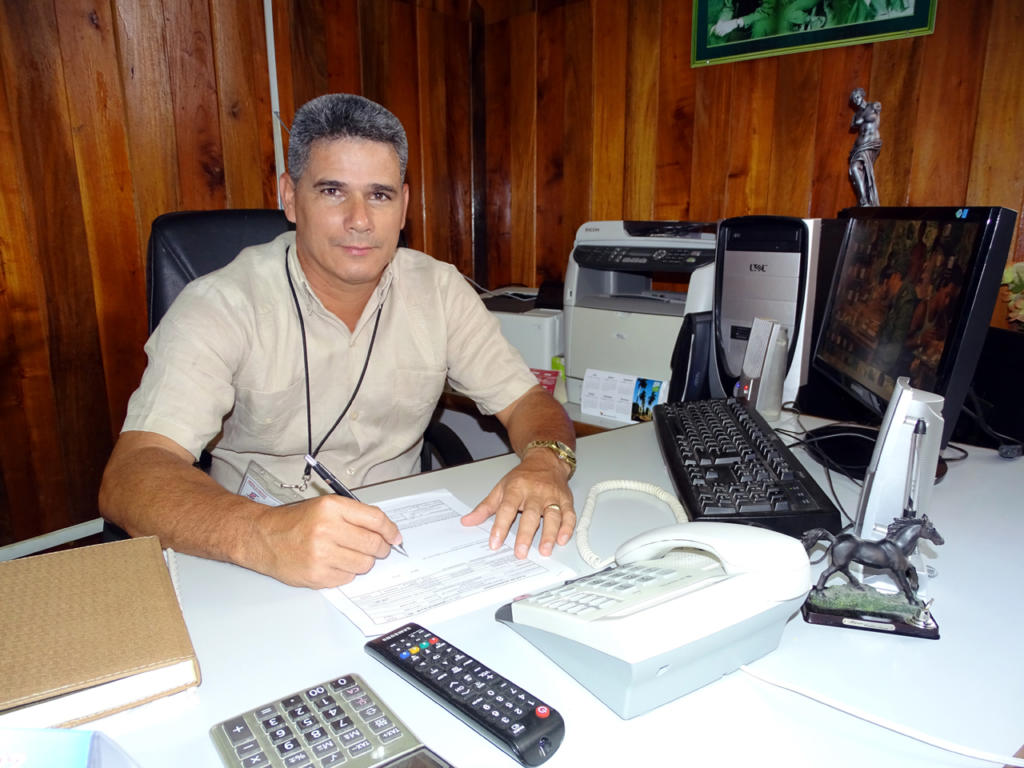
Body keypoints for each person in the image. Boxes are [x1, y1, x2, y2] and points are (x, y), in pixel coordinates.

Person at [99, 94, 577, 589]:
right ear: (289, 196)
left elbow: (528, 402)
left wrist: (546, 463)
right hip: (253, 555)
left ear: (405, 206)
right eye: (332, 191)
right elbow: (132, 474)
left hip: (403, 550)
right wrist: (263, 534)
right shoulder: (221, 304)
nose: (359, 220)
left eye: (379, 195)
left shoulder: (439, 290)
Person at [848, 87, 882, 207]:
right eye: (853, 100)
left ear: (862, 95)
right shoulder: (856, 115)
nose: (856, 101)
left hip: (871, 143)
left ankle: (866, 200)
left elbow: (879, 108)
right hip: (859, 145)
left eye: (857, 97)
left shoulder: (874, 106)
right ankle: (864, 200)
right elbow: (853, 126)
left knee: (858, 167)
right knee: (854, 168)